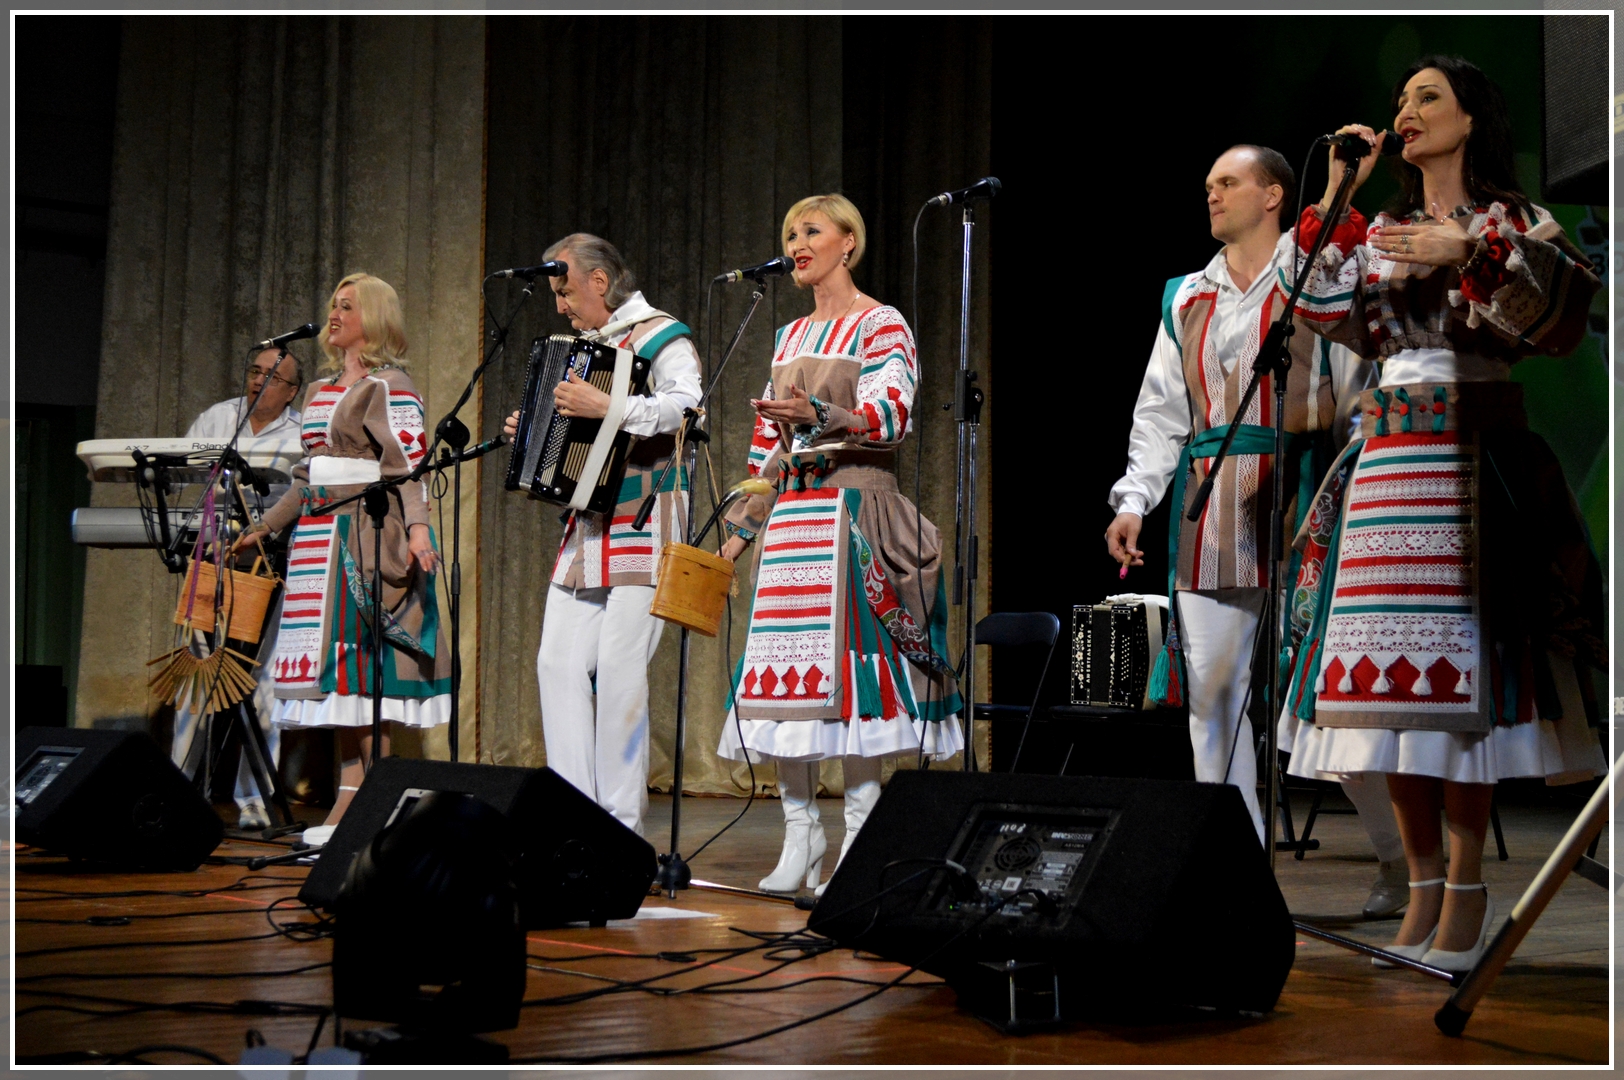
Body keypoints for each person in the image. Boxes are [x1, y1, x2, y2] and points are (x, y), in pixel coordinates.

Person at [1280, 56, 1605, 972]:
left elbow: (1558, 317)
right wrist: (1339, 191)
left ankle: (1465, 889)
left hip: (1471, 453)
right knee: (1386, 695)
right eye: (1402, 99)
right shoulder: (1378, 229)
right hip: (1386, 462)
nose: (1407, 111)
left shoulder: (1512, 220)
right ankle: (1421, 886)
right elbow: (1314, 307)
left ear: (1472, 118)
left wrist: (1469, 253)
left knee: (1462, 688)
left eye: (1429, 97)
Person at [1106, 145, 1387, 864]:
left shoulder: (1315, 274)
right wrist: (1135, 499)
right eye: (1208, 184)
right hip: (1211, 506)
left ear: (1273, 195)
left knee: (1327, 691)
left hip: (1303, 492)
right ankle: (1237, 862)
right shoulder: (1185, 295)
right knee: (1214, 698)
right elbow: (1160, 412)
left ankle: (1395, 855)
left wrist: (1353, 494)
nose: (1212, 193)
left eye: (1228, 182)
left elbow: (1356, 392)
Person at [717, 194, 962, 895]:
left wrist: (819, 412)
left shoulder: (881, 323)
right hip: (793, 522)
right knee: (785, 685)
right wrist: (739, 532)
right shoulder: (789, 337)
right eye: (790, 232)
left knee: (853, 687)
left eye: (811, 231)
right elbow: (766, 449)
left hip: (852, 516)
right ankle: (801, 835)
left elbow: (892, 416)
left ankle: (859, 836)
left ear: (848, 242)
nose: (796, 242)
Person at [239, 273, 451, 847]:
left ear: (374, 318)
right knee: (336, 686)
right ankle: (351, 797)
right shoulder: (319, 390)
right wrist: (264, 526)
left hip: (362, 537)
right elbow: (305, 476)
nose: (334, 314)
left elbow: (409, 466)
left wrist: (418, 529)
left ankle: (362, 805)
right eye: (334, 304)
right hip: (317, 540)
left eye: (348, 306)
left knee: (361, 677)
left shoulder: (390, 385)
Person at [502, 234, 701, 838]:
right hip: (590, 517)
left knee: (620, 670)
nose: (560, 305)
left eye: (565, 291)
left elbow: (687, 409)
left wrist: (607, 406)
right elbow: (581, 430)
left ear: (599, 281)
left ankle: (619, 828)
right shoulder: (588, 347)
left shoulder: (663, 335)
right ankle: (572, 818)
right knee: (557, 662)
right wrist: (535, 428)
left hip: (647, 507)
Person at [172, 345, 304, 829]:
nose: (259, 381)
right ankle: (178, 790)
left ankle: (254, 799)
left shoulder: (301, 431)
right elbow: (177, 470)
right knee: (195, 671)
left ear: (292, 391)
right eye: (255, 370)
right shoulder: (218, 418)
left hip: (272, 564)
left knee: (264, 681)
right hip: (213, 558)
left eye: (273, 377)